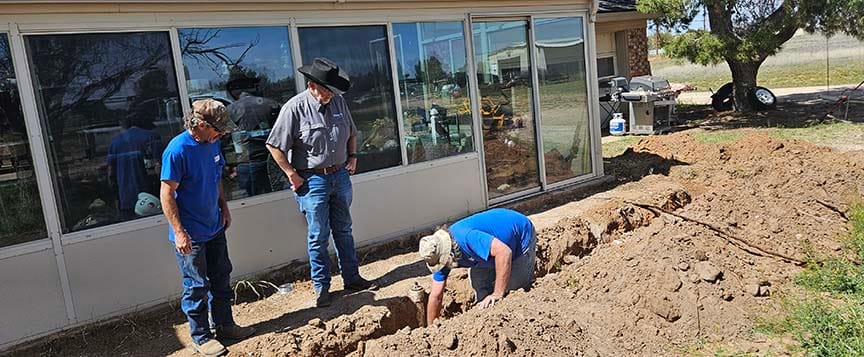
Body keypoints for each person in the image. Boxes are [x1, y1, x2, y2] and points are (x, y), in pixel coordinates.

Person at [266, 57, 376, 308]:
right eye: (326, 89)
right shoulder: (294, 108)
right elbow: (273, 145)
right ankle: (322, 288)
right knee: (318, 235)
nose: (330, 94)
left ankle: (352, 278)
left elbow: (351, 132)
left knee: (344, 230)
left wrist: (352, 157)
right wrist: (291, 174)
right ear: (312, 85)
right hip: (312, 180)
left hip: (339, 176)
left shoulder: (338, 102)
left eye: (332, 90)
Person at [160, 99, 254, 357]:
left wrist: (223, 207)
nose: (222, 134)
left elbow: (216, 178)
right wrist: (179, 232)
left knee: (222, 277)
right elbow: (166, 194)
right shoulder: (177, 150)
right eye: (218, 129)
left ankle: (225, 325)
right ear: (199, 124)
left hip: (214, 226)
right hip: (191, 234)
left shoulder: (212, 144)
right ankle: (201, 337)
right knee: (196, 285)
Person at [419, 208, 537, 325]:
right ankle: (486, 321)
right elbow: (436, 296)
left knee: (512, 290)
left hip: (520, 237)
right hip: (489, 250)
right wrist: (431, 329)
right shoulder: (439, 255)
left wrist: (497, 294)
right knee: (479, 283)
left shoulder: (468, 238)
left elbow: (504, 252)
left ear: (449, 254)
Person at [225, 77, 281, 197]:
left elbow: (225, 138)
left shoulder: (231, 109)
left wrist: (229, 164)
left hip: (247, 161)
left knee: (250, 199)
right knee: (276, 196)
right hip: (271, 158)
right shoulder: (270, 104)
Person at [106, 117, 162, 220]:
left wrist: (116, 198)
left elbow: (111, 173)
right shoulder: (152, 137)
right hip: (151, 199)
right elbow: (159, 167)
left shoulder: (115, 143)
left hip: (126, 199)